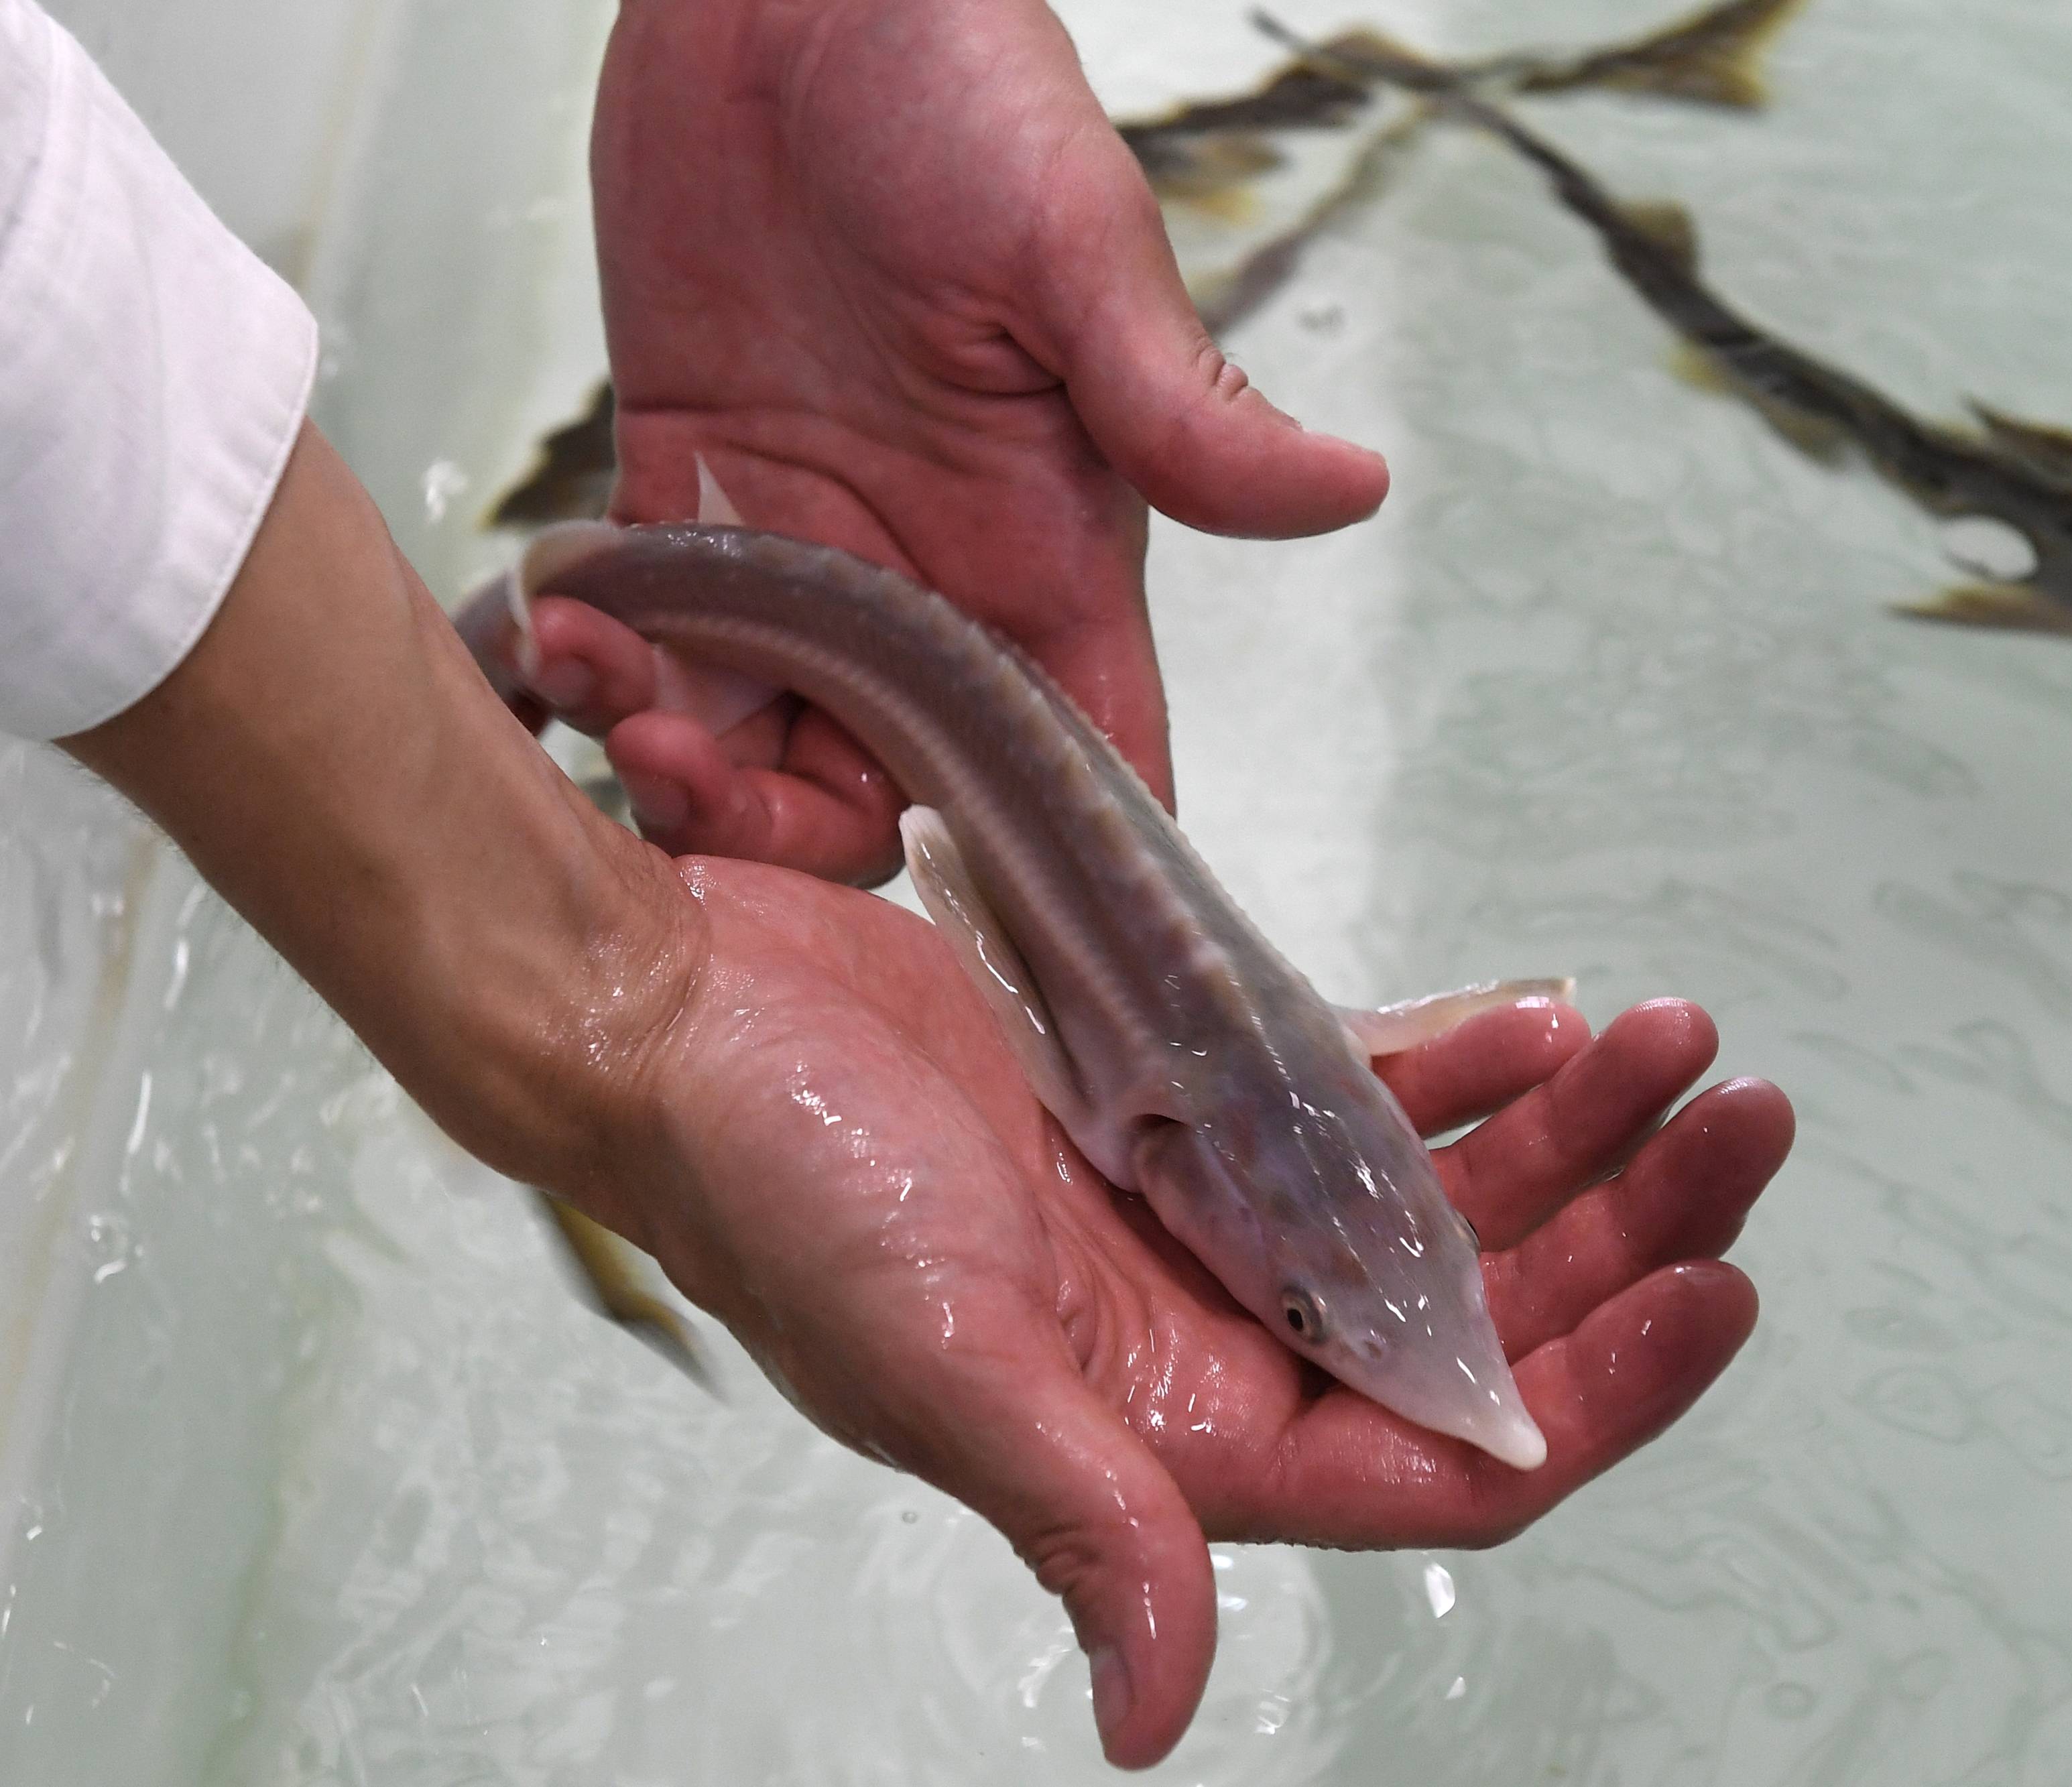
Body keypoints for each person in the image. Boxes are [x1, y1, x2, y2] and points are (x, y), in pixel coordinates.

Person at [1, 0, 1794, 1767]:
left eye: (1316, 1307)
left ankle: (563, 610)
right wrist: (620, 1009)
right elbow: (954, 875)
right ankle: (564, 611)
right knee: (644, 611)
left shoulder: (1238, 1093)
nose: (1323, 1329)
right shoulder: (1128, 1089)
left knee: (652, 623)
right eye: (1309, 1315)